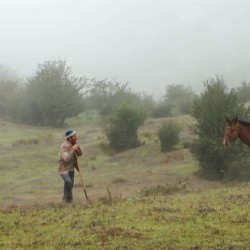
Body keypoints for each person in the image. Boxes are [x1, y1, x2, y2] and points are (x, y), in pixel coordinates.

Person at [57, 129, 83, 203]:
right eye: (74, 136)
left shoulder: (74, 144)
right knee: (68, 182)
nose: (76, 138)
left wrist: (78, 150)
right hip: (63, 169)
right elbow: (67, 159)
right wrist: (72, 150)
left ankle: (69, 200)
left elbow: (80, 154)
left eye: (76, 136)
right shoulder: (64, 146)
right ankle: (66, 199)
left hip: (71, 169)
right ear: (69, 138)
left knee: (70, 185)